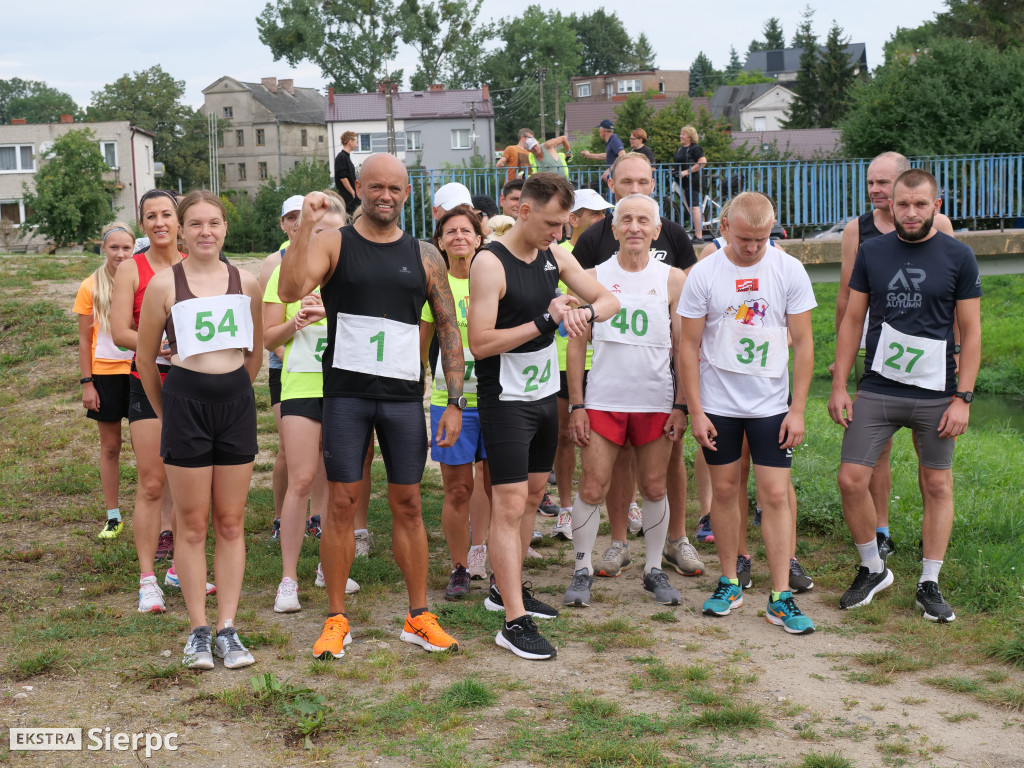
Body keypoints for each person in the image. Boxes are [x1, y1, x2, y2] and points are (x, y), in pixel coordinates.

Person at [278, 153, 465, 659]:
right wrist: (307, 229)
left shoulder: (425, 253)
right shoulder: (333, 242)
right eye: (376, 186)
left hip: (403, 398)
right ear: (359, 188)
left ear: (407, 193)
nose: (385, 196)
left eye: (395, 188)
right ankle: (336, 618)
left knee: (407, 504)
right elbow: (290, 288)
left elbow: (447, 327)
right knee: (341, 502)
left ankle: (419, 616)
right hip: (347, 397)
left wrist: (455, 399)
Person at [468, 171, 619, 660]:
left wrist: (584, 314)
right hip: (506, 398)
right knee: (509, 503)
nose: (559, 233)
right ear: (524, 211)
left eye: (564, 224)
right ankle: (514, 621)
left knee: (534, 495)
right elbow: (480, 342)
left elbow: (609, 299)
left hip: (541, 394)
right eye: (552, 223)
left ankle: (503, 587)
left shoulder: (555, 254)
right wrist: (545, 321)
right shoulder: (490, 263)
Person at [829, 169, 980, 623]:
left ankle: (929, 582)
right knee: (851, 478)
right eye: (902, 205)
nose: (910, 212)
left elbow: (971, 332)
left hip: (937, 391)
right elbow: (853, 319)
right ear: (890, 206)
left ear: (936, 207)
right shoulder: (871, 252)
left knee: (936, 483)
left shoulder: (959, 256)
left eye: (920, 205)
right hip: (878, 386)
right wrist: (839, 384)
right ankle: (873, 568)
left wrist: (964, 397)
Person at [678, 191, 817, 635]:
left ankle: (780, 596)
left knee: (775, 494)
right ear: (724, 229)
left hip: (771, 405)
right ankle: (729, 581)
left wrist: (797, 409)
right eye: (744, 239)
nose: (754, 247)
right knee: (724, 490)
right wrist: (695, 411)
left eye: (762, 239)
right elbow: (688, 346)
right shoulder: (704, 274)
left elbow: (805, 342)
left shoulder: (788, 269)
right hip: (719, 405)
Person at [136, 190, 263, 669]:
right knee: (191, 525)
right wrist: (166, 410)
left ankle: (228, 628)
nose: (205, 231)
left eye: (214, 223)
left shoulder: (245, 282)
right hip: (183, 403)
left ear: (225, 228)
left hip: (234, 405)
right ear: (183, 232)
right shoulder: (163, 284)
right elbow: (145, 359)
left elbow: (254, 353)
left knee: (230, 522)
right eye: (196, 224)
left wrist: (233, 390)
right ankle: (198, 629)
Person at [573, 153, 703, 580]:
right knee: (596, 481)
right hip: (605, 396)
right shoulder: (592, 267)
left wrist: (683, 404)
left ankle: (661, 558)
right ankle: (595, 559)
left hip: (655, 395)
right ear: (613, 226)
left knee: (655, 483)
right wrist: (577, 402)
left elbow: (686, 343)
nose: (633, 226)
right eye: (625, 220)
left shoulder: (674, 275)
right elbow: (576, 341)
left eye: (642, 220)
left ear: (656, 228)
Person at [835, 152, 956, 564]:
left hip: (930, 358)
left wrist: (954, 357)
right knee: (875, 450)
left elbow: (954, 298)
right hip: (876, 351)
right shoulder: (859, 230)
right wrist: (842, 362)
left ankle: (931, 536)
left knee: (932, 460)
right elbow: (846, 301)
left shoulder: (938, 226)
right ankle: (881, 529)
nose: (876, 190)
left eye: (883, 183)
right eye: (871, 182)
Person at [264, 192, 361, 613]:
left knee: (335, 480)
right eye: (316, 231)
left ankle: (328, 566)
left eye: (333, 232)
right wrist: (296, 320)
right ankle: (288, 579)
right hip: (302, 382)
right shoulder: (287, 275)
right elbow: (267, 338)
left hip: (345, 384)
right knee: (301, 479)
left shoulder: (353, 273)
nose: (325, 239)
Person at [111, 189, 186, 611]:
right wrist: (159, 349)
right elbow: (121, 330)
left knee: (187, 480)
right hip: (148, 378)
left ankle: (180, 568)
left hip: (194, 384)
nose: (160, 223)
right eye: (151, 216)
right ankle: (147, 579)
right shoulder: (131, 269)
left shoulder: (197, 265)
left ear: (179, 222)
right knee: (152, 480)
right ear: (143, 225)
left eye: (167, 215)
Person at [420, 205, 492, 597]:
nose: (459, 236)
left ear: (479, 239)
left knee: (496, 484)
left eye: (467, 230)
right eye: (450, 232)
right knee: (459, 487)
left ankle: (485, 553)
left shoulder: (496, 277)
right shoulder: (433, 284)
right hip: (450, 401)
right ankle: (459, 566)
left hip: (497, 398)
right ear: (440, 242)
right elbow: (420, 350)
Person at [549, 189, 614, 539]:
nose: (602, 220)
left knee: (612, 437)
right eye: (594, 214)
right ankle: (564, 508)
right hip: (562, 359)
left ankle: (622, 503)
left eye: (605, 214)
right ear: (572, 220)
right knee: (564, 437)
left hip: (604, 359)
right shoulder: (558, 256)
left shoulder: (608, 258)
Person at [75, 221, 136, 540]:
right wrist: (87, 383)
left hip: (140, 370)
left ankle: (157, 517)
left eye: (127, 247)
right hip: (105, 376)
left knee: (149, 448)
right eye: (114, 247)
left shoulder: (142, 278)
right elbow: (85, 341)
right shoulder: (90, 286)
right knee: (111, 446)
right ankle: (113, 516)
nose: (121, 254)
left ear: (134, 247)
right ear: (104, 249)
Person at [259, 195, 304, 543]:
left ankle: (315, 517)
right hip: (283, 363)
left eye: (302, 216)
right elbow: (267, 323)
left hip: (319, 366)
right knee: (289, 447)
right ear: (282, 223)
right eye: (290, 217)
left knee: (319, 448)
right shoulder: (272, 264)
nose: (296, 223)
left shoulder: (326, 257)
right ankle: (279, 518)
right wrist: (285, 354)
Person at [674, 126, 707, 242]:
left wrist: (686, 172)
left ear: (690, 136)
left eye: (683, 134)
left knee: (694, 208)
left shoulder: (695, 148)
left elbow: (703, 162)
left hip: (694, 181)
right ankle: (701, 226)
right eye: (681, 134)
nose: (680, 136)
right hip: (683, 182)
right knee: (689, 207)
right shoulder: (680, 149)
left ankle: (699, 236)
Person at [334, 131, 359, 215]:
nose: (357, 145)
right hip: (346, 196)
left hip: (351, 195)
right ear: (350, 142)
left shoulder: (346, 157)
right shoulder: (341, 157)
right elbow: (343, 177)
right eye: (356, 142)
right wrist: (352, 191)